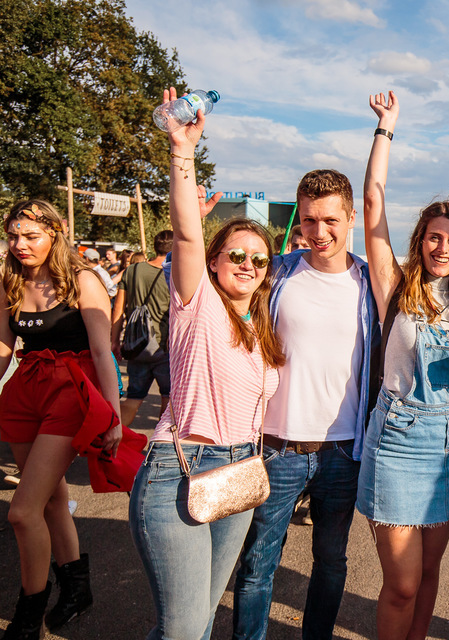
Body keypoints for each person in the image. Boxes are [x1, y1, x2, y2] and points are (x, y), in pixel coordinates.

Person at [128, 87, 285, 640]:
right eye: (235, 255)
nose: (247, 264)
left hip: (241, 471)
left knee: (194, 625)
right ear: (214, 262)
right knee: (186, 629)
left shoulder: (262, 327)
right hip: (182, 468)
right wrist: (182, 152)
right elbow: (188, 231)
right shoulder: (196, 303)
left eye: (258, 259)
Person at [232, 168, 380, 640]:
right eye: (310, 220)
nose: (319, 232)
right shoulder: (276, 273)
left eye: (331, 220)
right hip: (276, 445)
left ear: (351, 216)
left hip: (342, 449)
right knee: (258, 562)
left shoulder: (370, 283)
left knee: (332, 560)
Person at [356, 90, 449, 640]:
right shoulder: (396, 285)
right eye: (435, 236)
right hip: (400, 436)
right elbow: (372, 208)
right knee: (402, 583)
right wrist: (386, 129)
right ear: (421, 239)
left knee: (432, 573)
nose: (443, 247)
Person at [0, 200, 122, 638]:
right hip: (23, 393)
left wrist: (113, 415)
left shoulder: (82, 280)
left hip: (69, 391)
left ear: (55, 234)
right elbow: (1, 349)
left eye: (31, 236)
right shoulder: (9, 281)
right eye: (14, 235)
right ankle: (76, 588)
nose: (20, 245)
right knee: (50, 501)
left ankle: (28, 613)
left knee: (21, 511)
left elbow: (101, 351)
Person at [111, 231, 174, 426]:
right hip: (166, 346)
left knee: (133, 398)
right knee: (168, 399)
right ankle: (161, 448)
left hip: (137, 344)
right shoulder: (174, 273)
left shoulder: (132, 270)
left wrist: (114, 341)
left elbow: (119, 309)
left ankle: (114, 443)